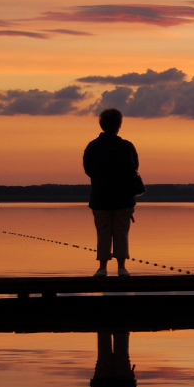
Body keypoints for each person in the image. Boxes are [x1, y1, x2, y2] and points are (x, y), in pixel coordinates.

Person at [83, 108, 139, 277]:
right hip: (123, 197)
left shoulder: (93, 146)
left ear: (102, 125)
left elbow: (88, 169)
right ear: (119, 125)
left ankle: (102, 268)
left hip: (100, 196)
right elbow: (134, 167)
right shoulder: (126, 146)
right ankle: (122, 267)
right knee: (121, 232)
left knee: (103, 232)